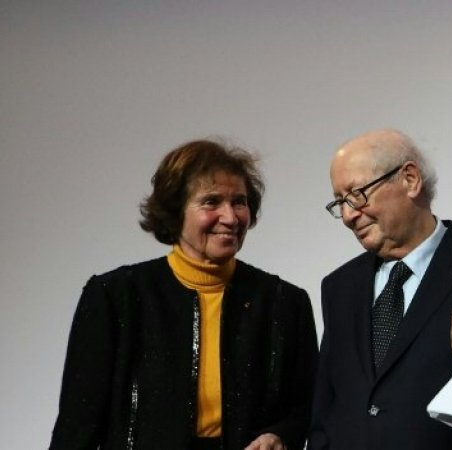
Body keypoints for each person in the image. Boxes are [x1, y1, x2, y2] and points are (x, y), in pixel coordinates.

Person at [50, 139, 318, 450]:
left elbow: (307, 408)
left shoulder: (285, 303)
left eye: (239, 202)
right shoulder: (115, 297)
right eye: (211, 202)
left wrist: (280, 436)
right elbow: (77, 426)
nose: (230, 218)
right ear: (175, 211)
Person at [308, 129, 452, 449]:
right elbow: (326, 409)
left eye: (356, 195)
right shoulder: (340, 287)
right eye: (340, 202)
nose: (348, 215)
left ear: (410, 179)